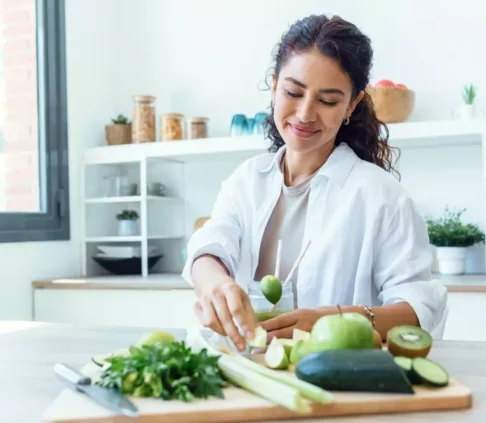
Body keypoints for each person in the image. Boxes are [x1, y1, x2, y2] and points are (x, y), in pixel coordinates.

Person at [182, 14, 447, 352]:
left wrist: (332, 320)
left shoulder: (381, 197)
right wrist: (215, 284)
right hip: (245, 369)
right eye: (294, 92)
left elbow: (419, 307)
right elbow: (210, 248)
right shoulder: (247, 181)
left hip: (335, 380)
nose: (306, 114)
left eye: (327, 101)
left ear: (352, 104)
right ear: (275, 86)